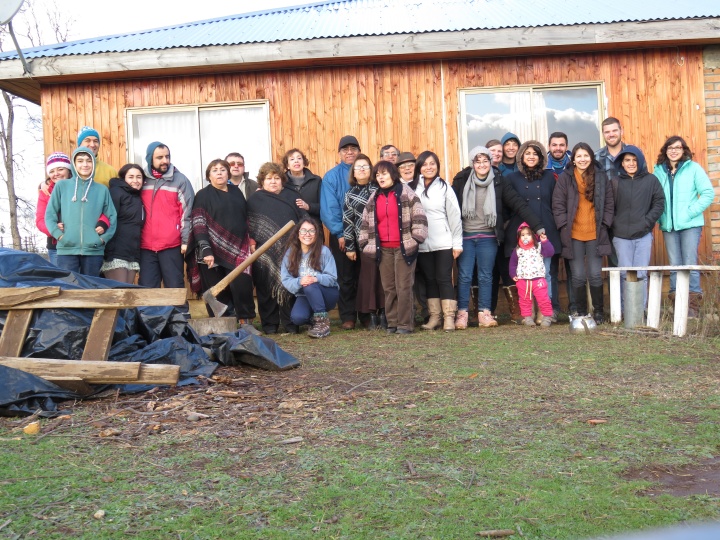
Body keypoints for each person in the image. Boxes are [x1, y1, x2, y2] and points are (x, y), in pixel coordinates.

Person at [452, 147, 544, 329]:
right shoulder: (461, 179)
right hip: (466, 236)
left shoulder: (499, 181)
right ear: (472, 164)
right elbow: (451, 207)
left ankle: (484, 313)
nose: (482, 165)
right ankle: (461, 314)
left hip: (488, 236)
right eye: (478, 161)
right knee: (464, 275)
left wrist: (538, 226)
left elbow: (518, 203)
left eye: (485, 161)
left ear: (490, 162)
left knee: (486, 276)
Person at [359, 161, 427, 334]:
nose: (380, 177)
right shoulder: (374, 197)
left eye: (384, 173)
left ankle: (405, 324)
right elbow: (365, 222)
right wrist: (365, 244)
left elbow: (419, 215)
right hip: (383, 250)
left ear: (393, 175)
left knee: (403, 286)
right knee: (388, 287)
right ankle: (392, 323)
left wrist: (416, 238)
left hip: (404, 247)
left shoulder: (406, 193)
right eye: (378, 175)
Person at [185, 159, 255, 325]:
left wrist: (250, 240)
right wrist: (206, 249)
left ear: (228, 173)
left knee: (242, 285)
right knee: (217, 290)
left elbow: (245, 218)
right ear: (209, 175)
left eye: (223, 169)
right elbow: (199, 222)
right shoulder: (202, 195)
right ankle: (223, 323)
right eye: (214, 170)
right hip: (210, 251)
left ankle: (246, 322)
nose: (219, 173)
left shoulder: (236, 192)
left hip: (238, 249)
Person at [552, 143, 614, 324]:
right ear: (573, 159)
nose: (582, 159)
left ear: (591, 157)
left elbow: (609, 203)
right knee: (578, 275)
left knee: (595, 274)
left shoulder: (601, 177)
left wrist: (605, 224)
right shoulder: (565, 178)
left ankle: (599, 312)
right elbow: (558, 205)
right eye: (579, 156)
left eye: (586, 156)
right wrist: (563, 226)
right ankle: (580, 312)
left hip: (596, 233)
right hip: (573, 234)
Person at [654, 136, 715, 318]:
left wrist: (689, 212)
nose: (674, 150)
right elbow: (655, 197)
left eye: (678, 147)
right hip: (669, 226)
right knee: (675, 265)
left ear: (683, 150)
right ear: (665, 150)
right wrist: (661, 217)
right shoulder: (658, 171)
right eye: (670, 148)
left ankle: (693, 308)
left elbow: (708, 193)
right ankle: (677, 305)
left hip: (690, 225)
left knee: (689, 264)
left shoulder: (693, 168)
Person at [505, 140, 561, 322]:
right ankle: (528, 311)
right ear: (521, 156)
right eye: (527, 153)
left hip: (545, 228)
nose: (531, 157)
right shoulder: (512, 178)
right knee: (526, 273)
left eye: (535, 154)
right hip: (524, 232)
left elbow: (556, 202)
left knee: (545, 272)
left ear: (542, 157)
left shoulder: (549, 177)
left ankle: (546, 311)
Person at [248, 162, 303, 334]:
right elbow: (248, 223)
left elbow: (304, 220)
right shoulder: (254, 200)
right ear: (262, 181)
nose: (273, 182)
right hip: (263, 251)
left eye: (277, 178)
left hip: (290, 249)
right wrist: (251, 240)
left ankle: (290, 324)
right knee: (265, 287)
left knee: (289, 285)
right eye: (269, 178)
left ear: (282, 180)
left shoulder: (292, 197)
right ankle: (270, 325)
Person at [410, 151, 462, 331]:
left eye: (432, 164)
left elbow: (454, 215)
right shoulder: (413, 187)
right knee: (430, 280)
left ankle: (449, 317)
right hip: (423, 243)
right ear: (419, 168)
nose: (428, 167)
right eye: (424, 164)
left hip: (443, 241)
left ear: (437, 166)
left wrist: (457, 242)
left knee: (443, 278)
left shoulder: (445, 187)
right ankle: (434, 317)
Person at [45, 147, 117, 276]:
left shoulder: (102, 190)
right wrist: (59, 236)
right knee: (69, 291)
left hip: (93, 251)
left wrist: (102, 239)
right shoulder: (62, 186)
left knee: (91, 290)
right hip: (66, 250)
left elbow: (112, 216)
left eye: (89, 161)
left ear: (93, 164)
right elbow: (50, 214)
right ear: (74, 164)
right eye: (80, 161)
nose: (85, 164)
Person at [611, 146, 665, 311]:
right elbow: (608, 206)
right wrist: (615, 224)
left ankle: (640, 311)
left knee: (641, 273)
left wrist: (646, 222)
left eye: (635, 160)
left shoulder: (651, 180)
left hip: (643, 235)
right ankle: (626, 310)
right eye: (627, 160)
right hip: (621, 236)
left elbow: (659, 202)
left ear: (640, 161)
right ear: (622, 163)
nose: (631, 163)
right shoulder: (615, 182)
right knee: (624, 273)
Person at [139, 142, 195, 291]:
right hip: (145, 247)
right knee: (147, 289)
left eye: (167, 156)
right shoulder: (141, 180)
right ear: (150, 159)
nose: (165, 160)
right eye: (160, 157)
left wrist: (185, 240)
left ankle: (179, 315)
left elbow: (187, 214)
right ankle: (150, 316)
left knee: (175, 287)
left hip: (172, 245)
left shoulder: (180, 180)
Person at [320, 135, 362, 329]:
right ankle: (347, 316)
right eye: (345, 149)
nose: (350, 152)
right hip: (342, 236)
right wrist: (340, 233)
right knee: (345, 277)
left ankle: (366, 314)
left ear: (359, 152)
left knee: (365, 275)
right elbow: (329, 209)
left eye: (353, 148)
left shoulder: (365, 172)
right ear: (339, 153)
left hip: (366, 234)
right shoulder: (331, 176)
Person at [343, 153, 385, 329]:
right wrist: (350, 247)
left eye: (365, 166)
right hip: (365, 243)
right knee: (368, 278)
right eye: (358, 167)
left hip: (384, 240)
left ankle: (385, 312)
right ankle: (369, 314)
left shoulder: (380, 189)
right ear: (353, 172)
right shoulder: (350, 195)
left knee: (384, 278)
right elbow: (348, 222)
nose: (361, 170)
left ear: (371, 170)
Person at [281, 218, 339, 338]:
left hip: (327, 293)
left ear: (316, 234)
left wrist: (315, 278)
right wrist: (299, 281)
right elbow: (285, 279)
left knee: (310, 285)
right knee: (297, 318)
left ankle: (322, 324)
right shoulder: (290, 253)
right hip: (305, 295)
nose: (307, 234)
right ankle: (316, 321)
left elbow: (332, 278)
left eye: (311, 231)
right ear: (298, 233)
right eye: (303, 230)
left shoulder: (324, 251)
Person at [546, 131, 575, 315]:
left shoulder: (575, 165)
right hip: (550, 224)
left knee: (574, 269)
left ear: (566, 146)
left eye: (561, 145)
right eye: (554, 145)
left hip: (572, 224)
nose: (558, 148)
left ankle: (575, 308)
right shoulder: (543, 167)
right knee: (552, 269)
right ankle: (553, 308)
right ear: (549, 146)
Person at [101, 164, 146, 284]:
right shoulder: (116, 192)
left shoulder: (137, 197)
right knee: (120, 295)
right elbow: (107, 218)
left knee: (127, 295)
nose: (135, 181)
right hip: (116, 253)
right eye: (131, 177)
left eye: (139, 177)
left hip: (132, 254)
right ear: (123, 178)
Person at [509, 223, 555, 327]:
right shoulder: (517, 250)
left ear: (534, 236)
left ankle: (547, 317)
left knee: (543, 299)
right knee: (524, 300)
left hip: (538, 279)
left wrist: (545, 241)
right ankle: (527, 318)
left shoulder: (538, 247)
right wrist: (513, 274)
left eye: (528, 234)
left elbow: (550, 252)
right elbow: (513, 264)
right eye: (523, 235)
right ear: (519, 237)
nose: (525, 237)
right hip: (523, 280)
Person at [36, 152, 72, 266]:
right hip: (56, 246)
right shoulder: (45, 192)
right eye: (51, 171)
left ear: (68, 170)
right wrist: (53, 229)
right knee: (62, 281)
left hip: (81, 245)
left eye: (60, 169)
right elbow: (40, 219)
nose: (56, 174)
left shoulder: (79, 187)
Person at [283, 148, 322, 220]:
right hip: (291, 228)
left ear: (304, 163)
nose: (296, 161)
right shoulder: (282, 183)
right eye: (292, 159)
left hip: (313, 228)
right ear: (287, 165)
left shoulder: (316, 181)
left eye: (299, 158)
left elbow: (324, 207)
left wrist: (308, 207)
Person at [595, 117, 627, 182]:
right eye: (607, 132)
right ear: (603, 134)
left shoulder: (635, 153)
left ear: (621, 131)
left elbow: (644, 180)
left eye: (614, 131)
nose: (611, 134)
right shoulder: (596, 157)